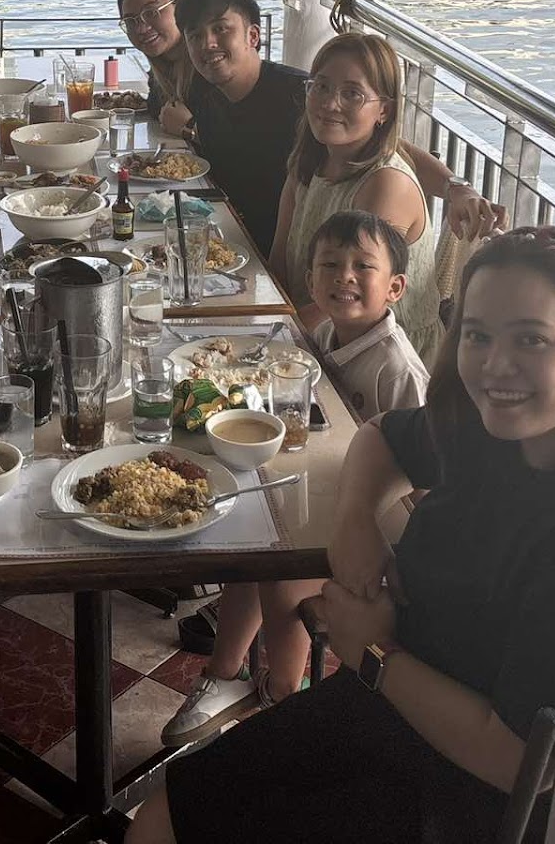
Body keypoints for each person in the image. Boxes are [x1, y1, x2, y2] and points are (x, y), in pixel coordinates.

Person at [130, 226, 555, 844]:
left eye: (532, 339)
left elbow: (518, 760)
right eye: (477, 335)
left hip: (466, 796)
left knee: (169, 824)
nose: (495, 366)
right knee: (163, 812)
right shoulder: (500, 435)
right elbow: (382, 436)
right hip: (391, 712)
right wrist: (356, 519)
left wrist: (375, 652)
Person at [162, 209, 428, 748]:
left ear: (395, 287)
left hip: (383, 536)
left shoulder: (395, 367)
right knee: (249, 533)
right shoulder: (324, 334)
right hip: (329, 495)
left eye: (362, 266)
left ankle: (283, 696)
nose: (344, 276)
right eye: (329, 265)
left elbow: (424, 474)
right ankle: (226, 674)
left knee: (280, 570)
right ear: (311, 279)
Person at [270, 33, 503, 360]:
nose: (330, 103)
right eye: (321, 86)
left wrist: (267, 337)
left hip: (382, 357)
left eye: (352, 94)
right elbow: (279, 261)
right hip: (316, 337)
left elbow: (348, 300)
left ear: (384, 110)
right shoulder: (310, 162)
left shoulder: (385, 184)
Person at [173, 0, 306, 257]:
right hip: (233, 244)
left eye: (221, 29)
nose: (207, 44)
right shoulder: (208, 100)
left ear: (253, 36)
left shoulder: (301, 97)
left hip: (290, 255)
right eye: (195, 36)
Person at [117, 0, 194, 136]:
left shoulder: (208, 68)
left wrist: (190, 128)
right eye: (130, 21)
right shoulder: (161, 72)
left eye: (151, 12)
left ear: (181, 6)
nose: (141, 29)